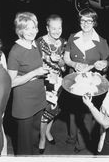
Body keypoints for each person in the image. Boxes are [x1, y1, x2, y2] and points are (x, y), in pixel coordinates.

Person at [63, 8, 109, 153]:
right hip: (73, 80)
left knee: (86, 113)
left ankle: (81, 144)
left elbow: (107, 63)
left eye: (89, 21)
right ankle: (71, 136)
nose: (85, 23)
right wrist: (74, 64)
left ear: (94, 22)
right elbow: (66, 58)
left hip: (90, 83)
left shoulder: (101, 42)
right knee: (72, 110)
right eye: (83, 20)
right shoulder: (72, 37)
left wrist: (103, 65)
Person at [7, 12, 49, 155]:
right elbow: (11, 82)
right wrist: (34, 73)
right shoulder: (15, 51)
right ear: (20, 31)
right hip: (24, 102)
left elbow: (37, 66)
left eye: (34, 27)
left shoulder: (35, 44)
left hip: (38, 96)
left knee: (34, 137)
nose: (32, 32)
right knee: (24, 144)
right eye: (27, 28)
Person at [36, 14, 67, 154]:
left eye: (59, 28)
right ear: (47, 28)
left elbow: (64, 67)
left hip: (58, 82)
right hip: (44, 82)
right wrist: (48, 59)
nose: (56, 31)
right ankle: (42, 138)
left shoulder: (64, 43)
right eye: (53, 28)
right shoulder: (39, 42)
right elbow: (34, 63)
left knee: (54, 109)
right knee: (45, 112)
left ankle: (48, 132)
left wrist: (59, 61)